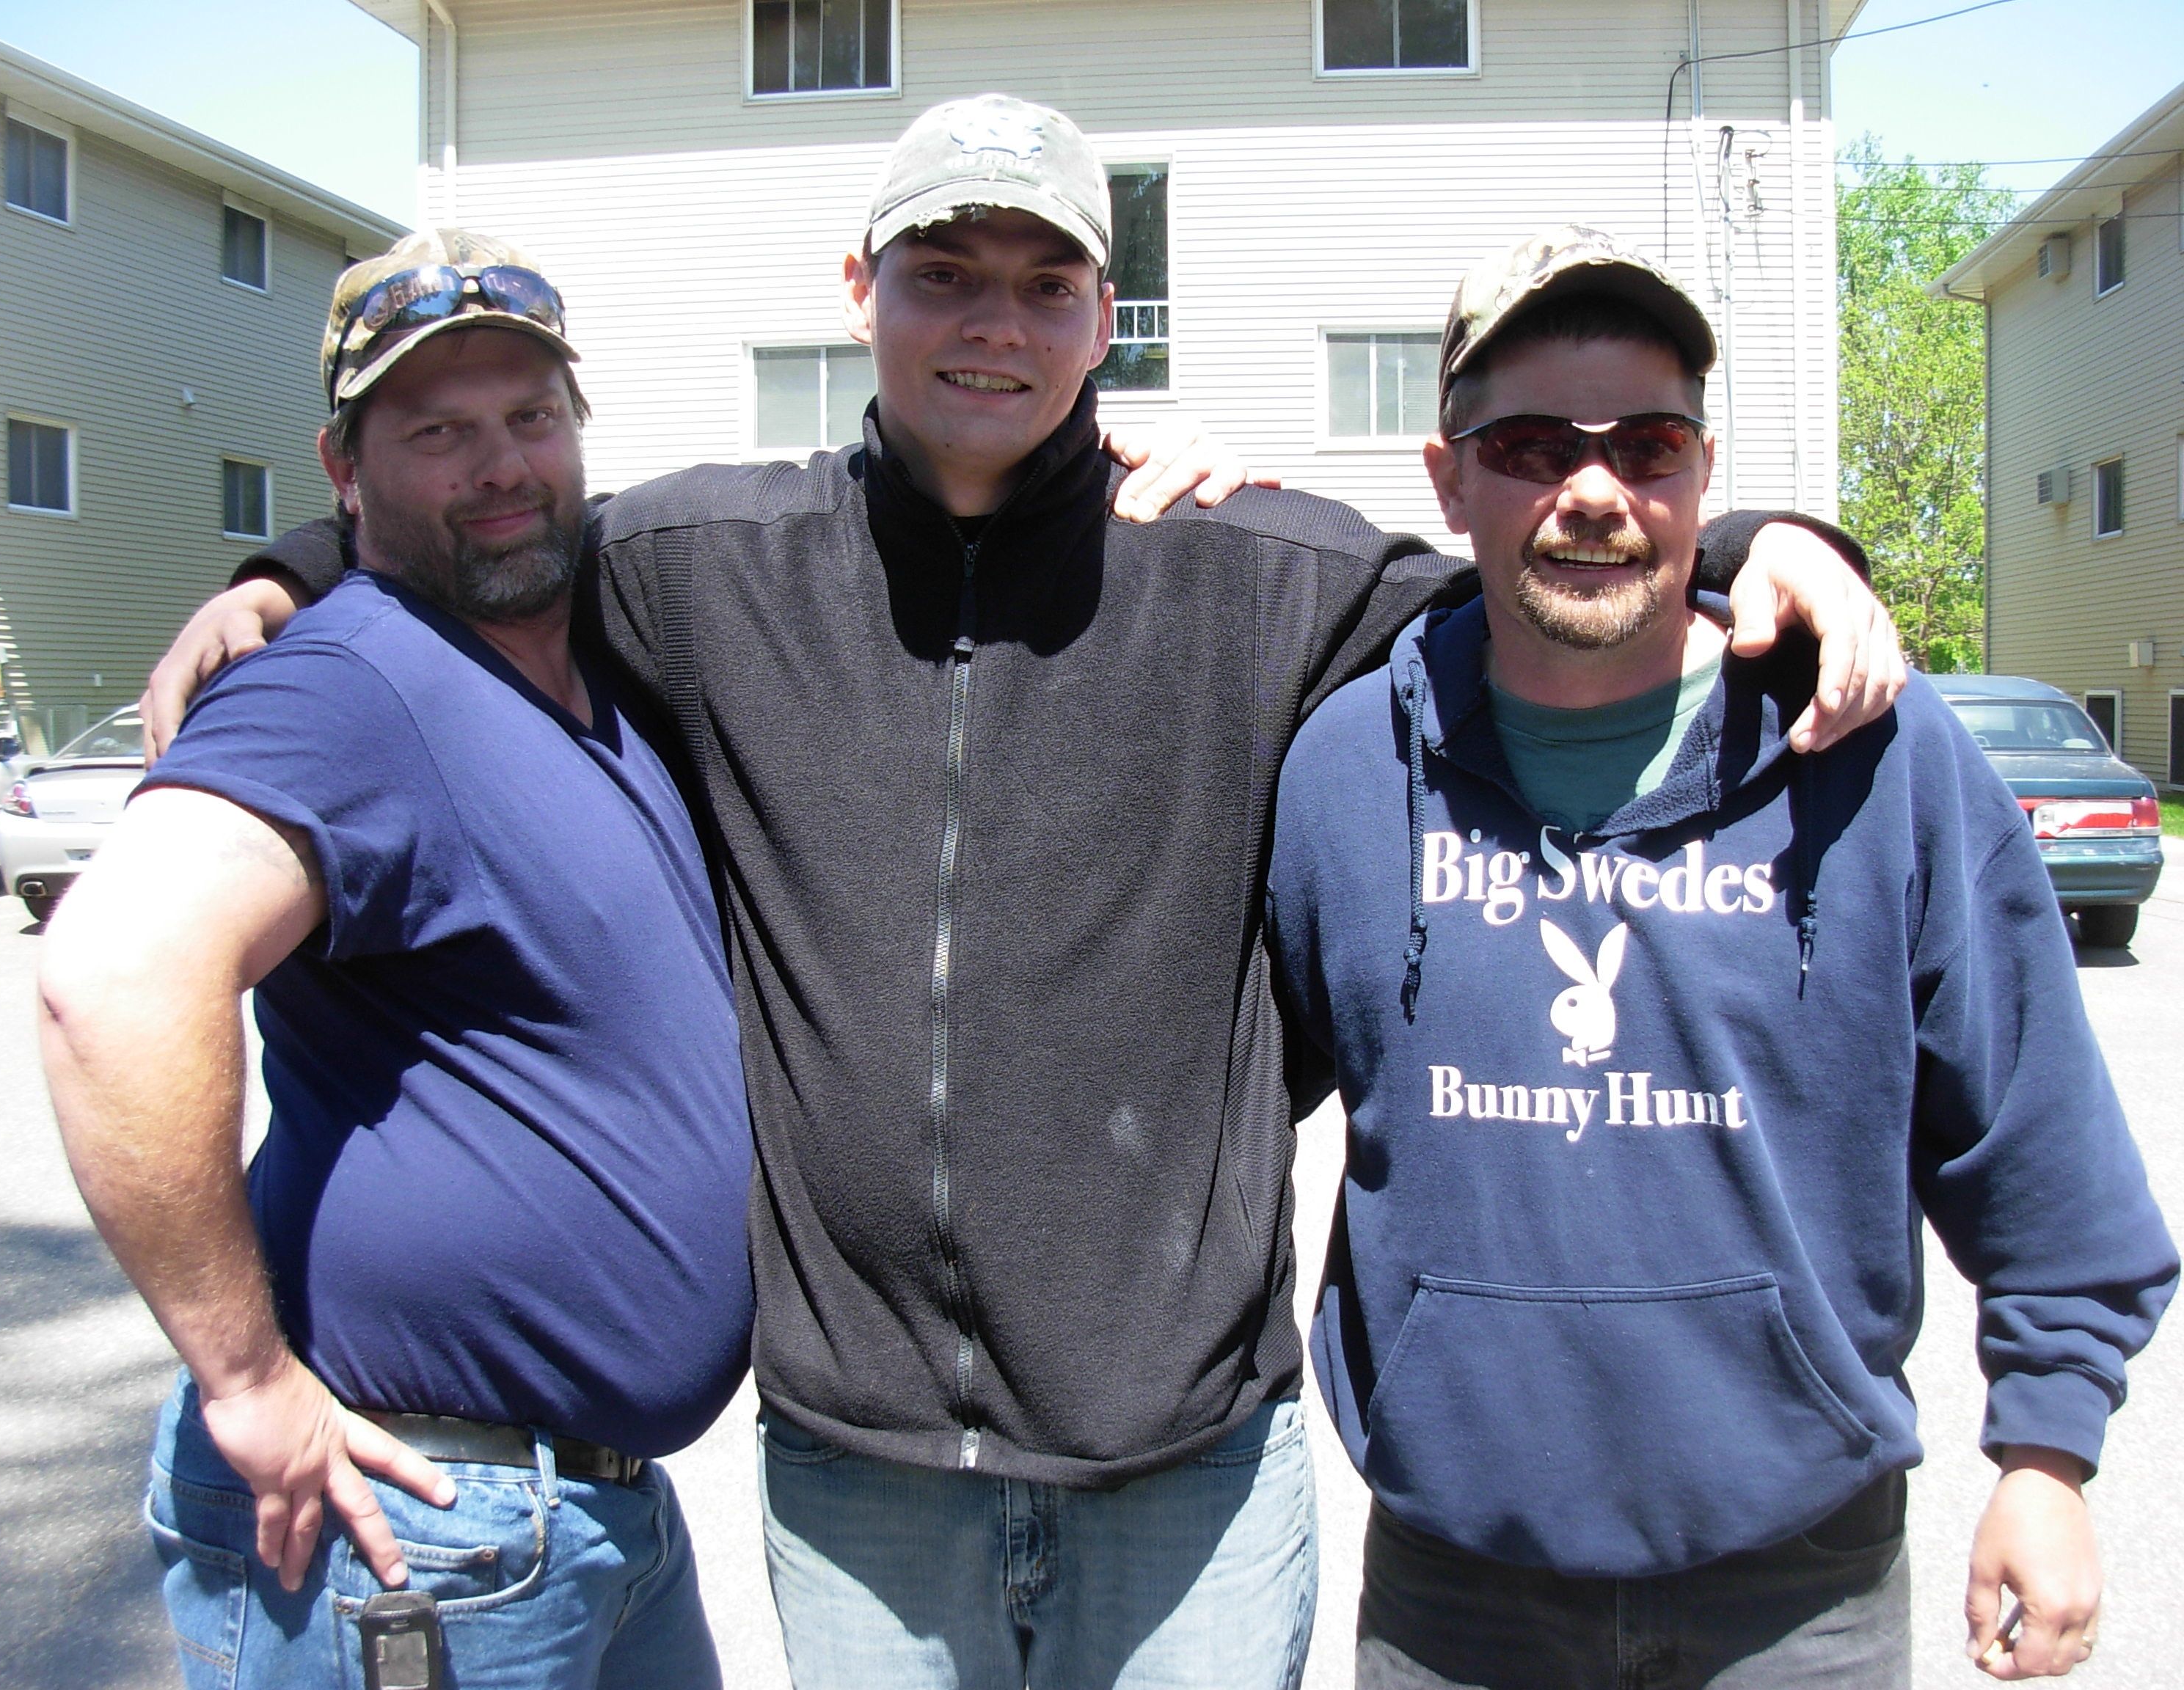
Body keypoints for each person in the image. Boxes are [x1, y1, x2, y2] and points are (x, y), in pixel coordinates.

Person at [142, 103, 1904, 1690]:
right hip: (861, 1479)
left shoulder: (1253, 568)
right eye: (945, 271)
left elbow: (1553, 576)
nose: (994, 320)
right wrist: (288, 572)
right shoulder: (701, 567)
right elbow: (495, 528)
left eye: (1046, 282)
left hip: (1191, 1471)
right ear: (862, 291)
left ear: (1106, 315)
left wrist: (1767, 543)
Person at [1263, 227, 2177, 1690]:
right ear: (1448, 480)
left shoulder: (1876, 761)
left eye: (1648, 442)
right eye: (1531, 444)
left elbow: (2039, 1143)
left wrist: (2049, 1458)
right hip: (1457, 1599)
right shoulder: (1343, 778)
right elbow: (1214, 1104)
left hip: (1800, 1596)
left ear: (1704, 469)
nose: (1593, 492)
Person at [40, 232, 758, 1689]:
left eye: (529, 420)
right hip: (415, 1525)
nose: (501, 466)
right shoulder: (350, 686)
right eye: (438, 432)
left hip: (585, 1521)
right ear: (344, 470)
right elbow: (109, 976)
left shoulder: (589, 678)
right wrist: (246, 1382)